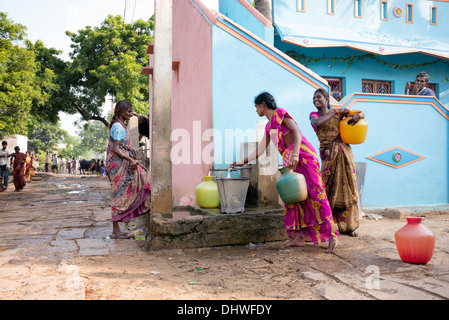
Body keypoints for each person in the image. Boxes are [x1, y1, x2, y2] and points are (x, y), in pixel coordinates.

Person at [231, 92, 340, 252]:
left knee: (316, 193)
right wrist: (242, 161)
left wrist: (295, 153)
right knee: (292, 198)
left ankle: (332, 235)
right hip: (290, 161)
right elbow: (260, 150)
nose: (256, 110)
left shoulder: (280, 113)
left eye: (256, 106)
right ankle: (298, 237)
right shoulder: (269, 127)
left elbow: (296, 132)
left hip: (303, 154)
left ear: (262, 104)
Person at [309, 88, 363, 237]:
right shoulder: (314, 115)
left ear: (327, 99)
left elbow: (362, 113)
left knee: (347, 188)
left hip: (344, 153)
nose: (315, 100)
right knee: (328, 189)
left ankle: (348, 227)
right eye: (314, 98)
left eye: (319, 97)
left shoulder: (338, 112)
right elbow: (318, 123)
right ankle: (329, 226)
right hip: (328, 155)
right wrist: (336, 112)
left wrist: (357, 117)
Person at [106, 100, 151, 239]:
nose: (131, 114)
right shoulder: (118, 127)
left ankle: (142, 206)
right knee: (118, 194)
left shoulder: (121, 126)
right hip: (118, 164)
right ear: (120, 111)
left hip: (124, 161)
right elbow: (115, 148)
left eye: (131, 111)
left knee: (144, 178)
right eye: (128, 111)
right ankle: (116, 230)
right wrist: (131, 160)